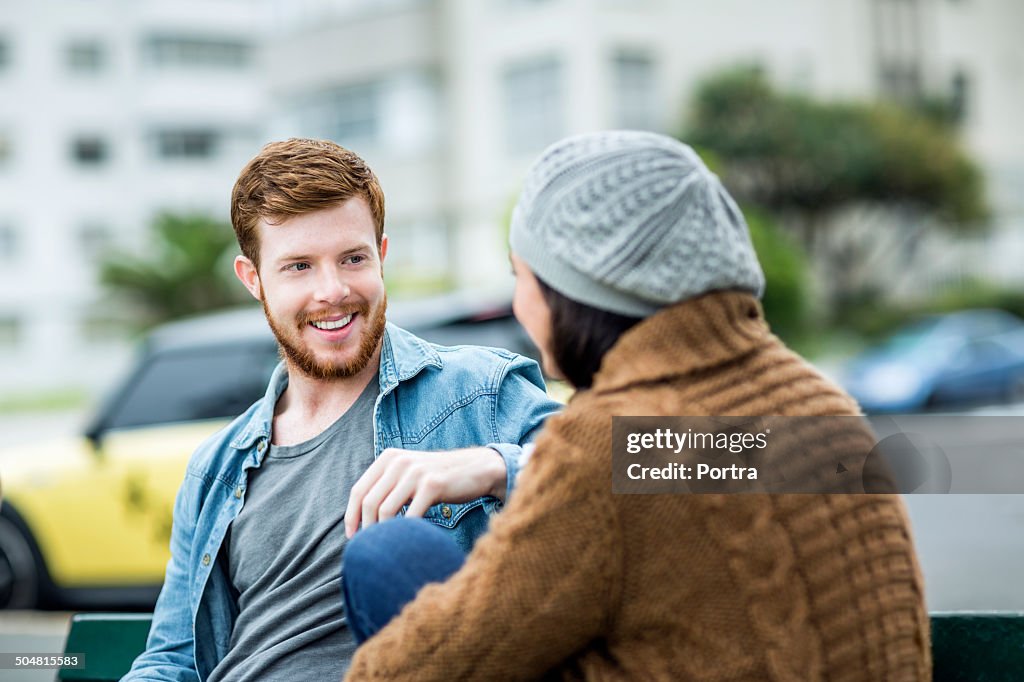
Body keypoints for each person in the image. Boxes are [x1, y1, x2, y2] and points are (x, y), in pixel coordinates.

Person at [342, 131, 931, 680]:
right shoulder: (824, 405)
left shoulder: (606, 444)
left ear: (573, 291)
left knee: (386, 558)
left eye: (521, 275)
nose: (518, 306)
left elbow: (425, 664)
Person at [123, 138, 562, 681]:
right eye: (299, 267)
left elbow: (690, 463)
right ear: (253, 278)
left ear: (381, 254)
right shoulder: (216, 468)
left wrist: (496, 467)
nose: (331, 291)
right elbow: (173, 660)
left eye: (352, 259)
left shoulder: (480, 389)